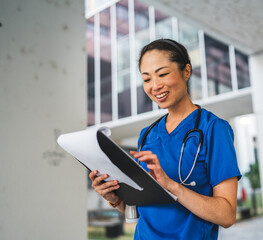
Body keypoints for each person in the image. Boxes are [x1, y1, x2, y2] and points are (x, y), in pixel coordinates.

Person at [89, 39, 241, 239]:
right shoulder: (148, 134)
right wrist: (114, 199)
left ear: (186, 71)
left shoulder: (214, 129)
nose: (155, 86)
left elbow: (226, 215)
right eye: (146, 79)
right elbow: (138, 211)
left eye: (162, 74)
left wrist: (171, 186)